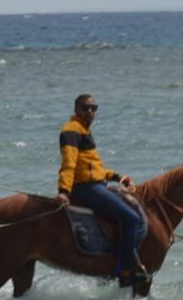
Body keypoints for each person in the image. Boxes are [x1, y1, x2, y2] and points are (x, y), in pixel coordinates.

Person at [55, 94, 147, 287]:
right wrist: (63, 190)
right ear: (76, 110)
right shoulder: (71, 131)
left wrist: (118, 177)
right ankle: (124, 270)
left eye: (93, 108)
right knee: (131, 218)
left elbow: (93, 169)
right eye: (85, 107)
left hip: (96, 184)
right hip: (85, 189)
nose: (90, 111)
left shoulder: (84, 131)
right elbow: (69, 164)